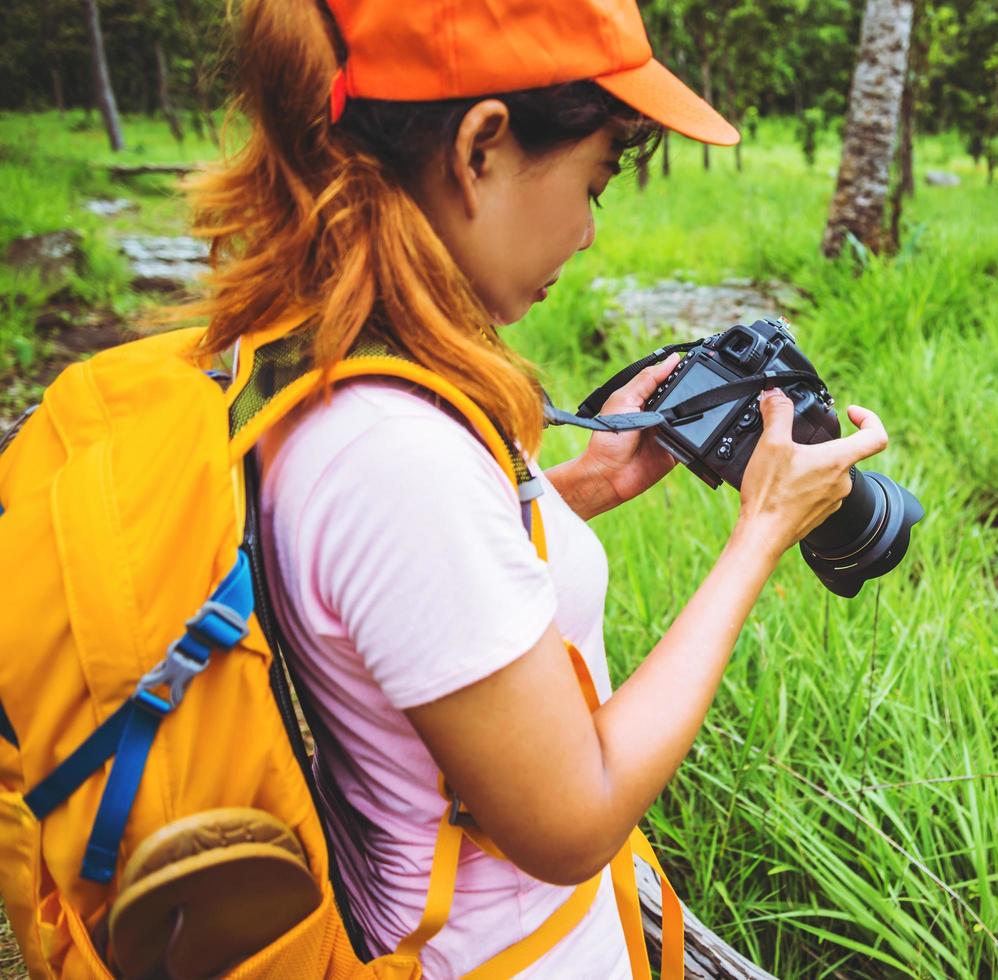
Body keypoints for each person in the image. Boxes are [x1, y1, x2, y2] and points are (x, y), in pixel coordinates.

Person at [185, 1, 889, 976]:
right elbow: (571, 818)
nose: (592, 232)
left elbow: (394, 602)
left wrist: (582, 482)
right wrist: (760, 533)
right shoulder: (391, 450)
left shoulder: (315, 355)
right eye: (595, 181)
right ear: (480, 146)